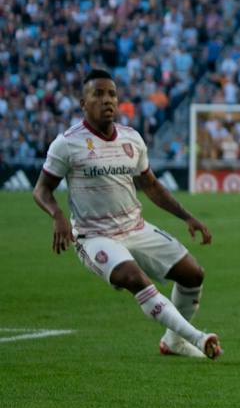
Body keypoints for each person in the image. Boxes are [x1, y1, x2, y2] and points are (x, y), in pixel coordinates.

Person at [33, 69, 222, 358]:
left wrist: (187, 217)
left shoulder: (131, 139)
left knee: (193, 275)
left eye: (112, 94)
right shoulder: (67, 144)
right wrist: (57, 216)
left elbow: (151, 186)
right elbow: (41, 190)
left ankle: (171, 342)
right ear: (83, 104)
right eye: (98, 94)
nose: (107, 100)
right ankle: (197, 338)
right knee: (135, 279)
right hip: (94, 236)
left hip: (136, 228)